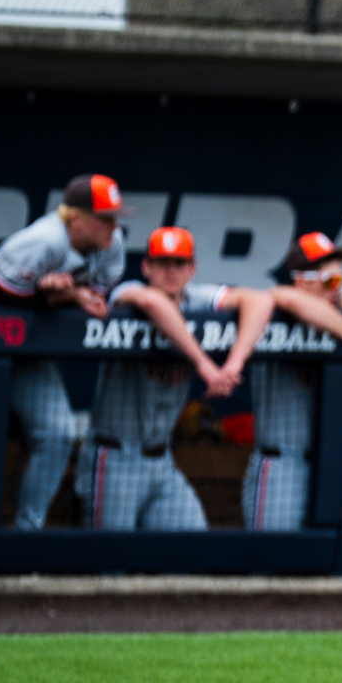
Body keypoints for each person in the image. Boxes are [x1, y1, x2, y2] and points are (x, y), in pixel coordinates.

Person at [0, 174, 128, 529]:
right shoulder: (42, 241)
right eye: (104, 217)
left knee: (59, 433)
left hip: (28, 350)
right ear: (75, 219)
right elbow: (6, 303)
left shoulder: (113, 243)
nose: (114, 226)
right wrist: (64, 294)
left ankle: (25, 534)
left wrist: (65, 293)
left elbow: (97, 299)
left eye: (115, 217)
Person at [77, 226, 270, 530]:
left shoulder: (196, 298)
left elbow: (260, 301)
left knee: (191, 542)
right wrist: (206, 366)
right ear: (146, 266)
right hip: (113, 457)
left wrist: (234, 363)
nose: (170, 270)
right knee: (110, 562)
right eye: (162, 262)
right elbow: (154, 303)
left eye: (179, 263)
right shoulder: (127, 292)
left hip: (162, 460)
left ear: (192, 268)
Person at [241, 231, 342, 530]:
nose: (337, 288)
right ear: (301, 279)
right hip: (281, 462)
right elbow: (283, 297)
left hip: (327, 463)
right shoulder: (275, 308)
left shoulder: (336, 312)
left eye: (339, 280)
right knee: (272, 565)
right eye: (329, 281)